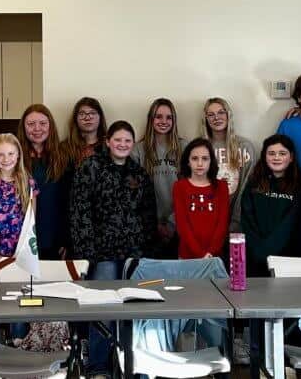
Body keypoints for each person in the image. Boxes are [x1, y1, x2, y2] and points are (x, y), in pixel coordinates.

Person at [69, 121, 156, 377]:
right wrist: (86, 252)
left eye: (127, 140)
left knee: (134, 310)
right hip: (101, 254)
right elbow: (79, 211)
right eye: (118, 140)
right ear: (108, 141)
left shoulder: (139, 174)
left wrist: (145, 246)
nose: (122, 144)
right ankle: (99, 367)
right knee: (103, 310)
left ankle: (133, 366)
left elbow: (148, 214)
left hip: (133, 254)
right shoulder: (90, 167)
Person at [240, 134, 301, 276]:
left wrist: (268, 250)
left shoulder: (299, 186)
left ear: (291, 157)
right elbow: (247, 218)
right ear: (264, 156)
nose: (276, 157)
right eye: (271, 153)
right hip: (254, 257)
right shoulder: (254, 183)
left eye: (282, 153)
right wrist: (259, 249)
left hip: (286, 258)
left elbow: (291, 224)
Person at [0, 134, 38, 283]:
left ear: (18, 155)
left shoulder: (28, 183)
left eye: (10, 153)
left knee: (17, 295)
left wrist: (19, 255)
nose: (6, 159)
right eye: (0, 154)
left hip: (20, 257)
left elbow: (31, 224)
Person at [131, 98, 186, 258]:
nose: (164, 121)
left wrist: (172, 222)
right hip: (148, 228)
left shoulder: (184, 147)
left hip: (179, 223)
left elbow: (190, 189)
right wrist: (152, 224)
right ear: (151, 119)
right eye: (158, 116)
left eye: (169, 117)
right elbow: (134, 195)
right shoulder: (137, 150)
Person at [17, 104, 71, 260]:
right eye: (31, 124)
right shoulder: (14, 157)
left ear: (50, 126)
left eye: (42, 123)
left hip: (54, 238)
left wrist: (66, 239)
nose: (37, 128)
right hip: (21, 237)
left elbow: (68, 201)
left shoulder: (63, 157)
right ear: (23, 127)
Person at [200, 97, 256, 231]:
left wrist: (236, 221)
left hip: (239, 221)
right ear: (206, 119)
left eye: (221, 112)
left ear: (228, 115)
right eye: (211, 114)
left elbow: (248, 187)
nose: (216, 118)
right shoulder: (199, 148)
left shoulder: (245, 147)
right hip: (207, 219)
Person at [173, 138, 230, 260]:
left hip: (214, 256)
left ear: (211, 161)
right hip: (187, 256)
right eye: (194, 158)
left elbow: (222, 224)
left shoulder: (222, 187)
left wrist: (210, 253)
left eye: (205, 158)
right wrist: (200, 254)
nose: (200, 163)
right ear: (188, 162)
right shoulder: (179, 187)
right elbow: (182, 226)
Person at [62, 97, 108, 166]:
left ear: (100, 117)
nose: (87, 118)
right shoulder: (64, 148)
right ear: (75, 119)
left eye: (92, 113)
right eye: (82, 114)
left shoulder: (110, 146)